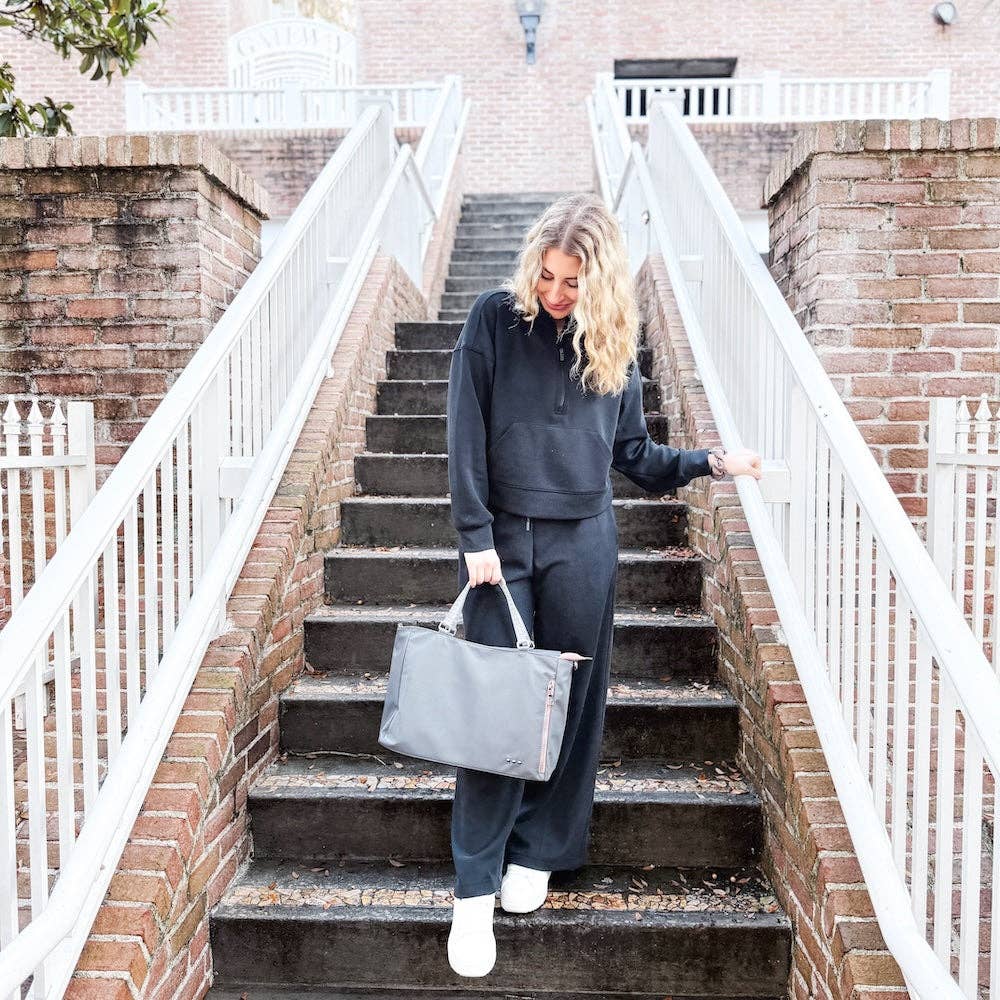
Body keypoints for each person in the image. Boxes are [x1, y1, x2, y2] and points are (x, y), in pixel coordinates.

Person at [443, 192, 762, 977]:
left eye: (572, 281)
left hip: (584, 541)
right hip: (503, 546)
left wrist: (708, 463)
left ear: (602, 282)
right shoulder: (492, 320)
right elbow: (464, 430)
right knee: (496, 710)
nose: (555, 292)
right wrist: (475, 536)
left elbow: (636, 456)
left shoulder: (613, 344)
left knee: (573, 703)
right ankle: (473, 888)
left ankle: (539, 850)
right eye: (547, 275)